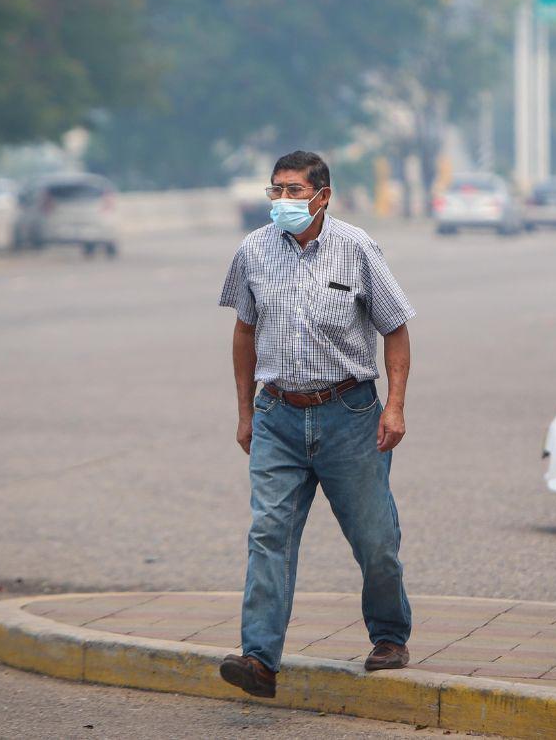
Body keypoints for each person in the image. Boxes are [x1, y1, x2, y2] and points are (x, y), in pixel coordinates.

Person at [217, 150, 415, 699]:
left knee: (374, 537)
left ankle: (390, 635)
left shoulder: (358, 248)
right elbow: (244, 332)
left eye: (294, 191)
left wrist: (395, 406)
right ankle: (259, 659)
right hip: (277, 415)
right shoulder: (253, 251)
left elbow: (395, 328)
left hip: (349, 414)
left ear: (322, 196)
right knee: (269, 534)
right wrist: (245, 412)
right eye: (276, 190)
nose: (283, 200)